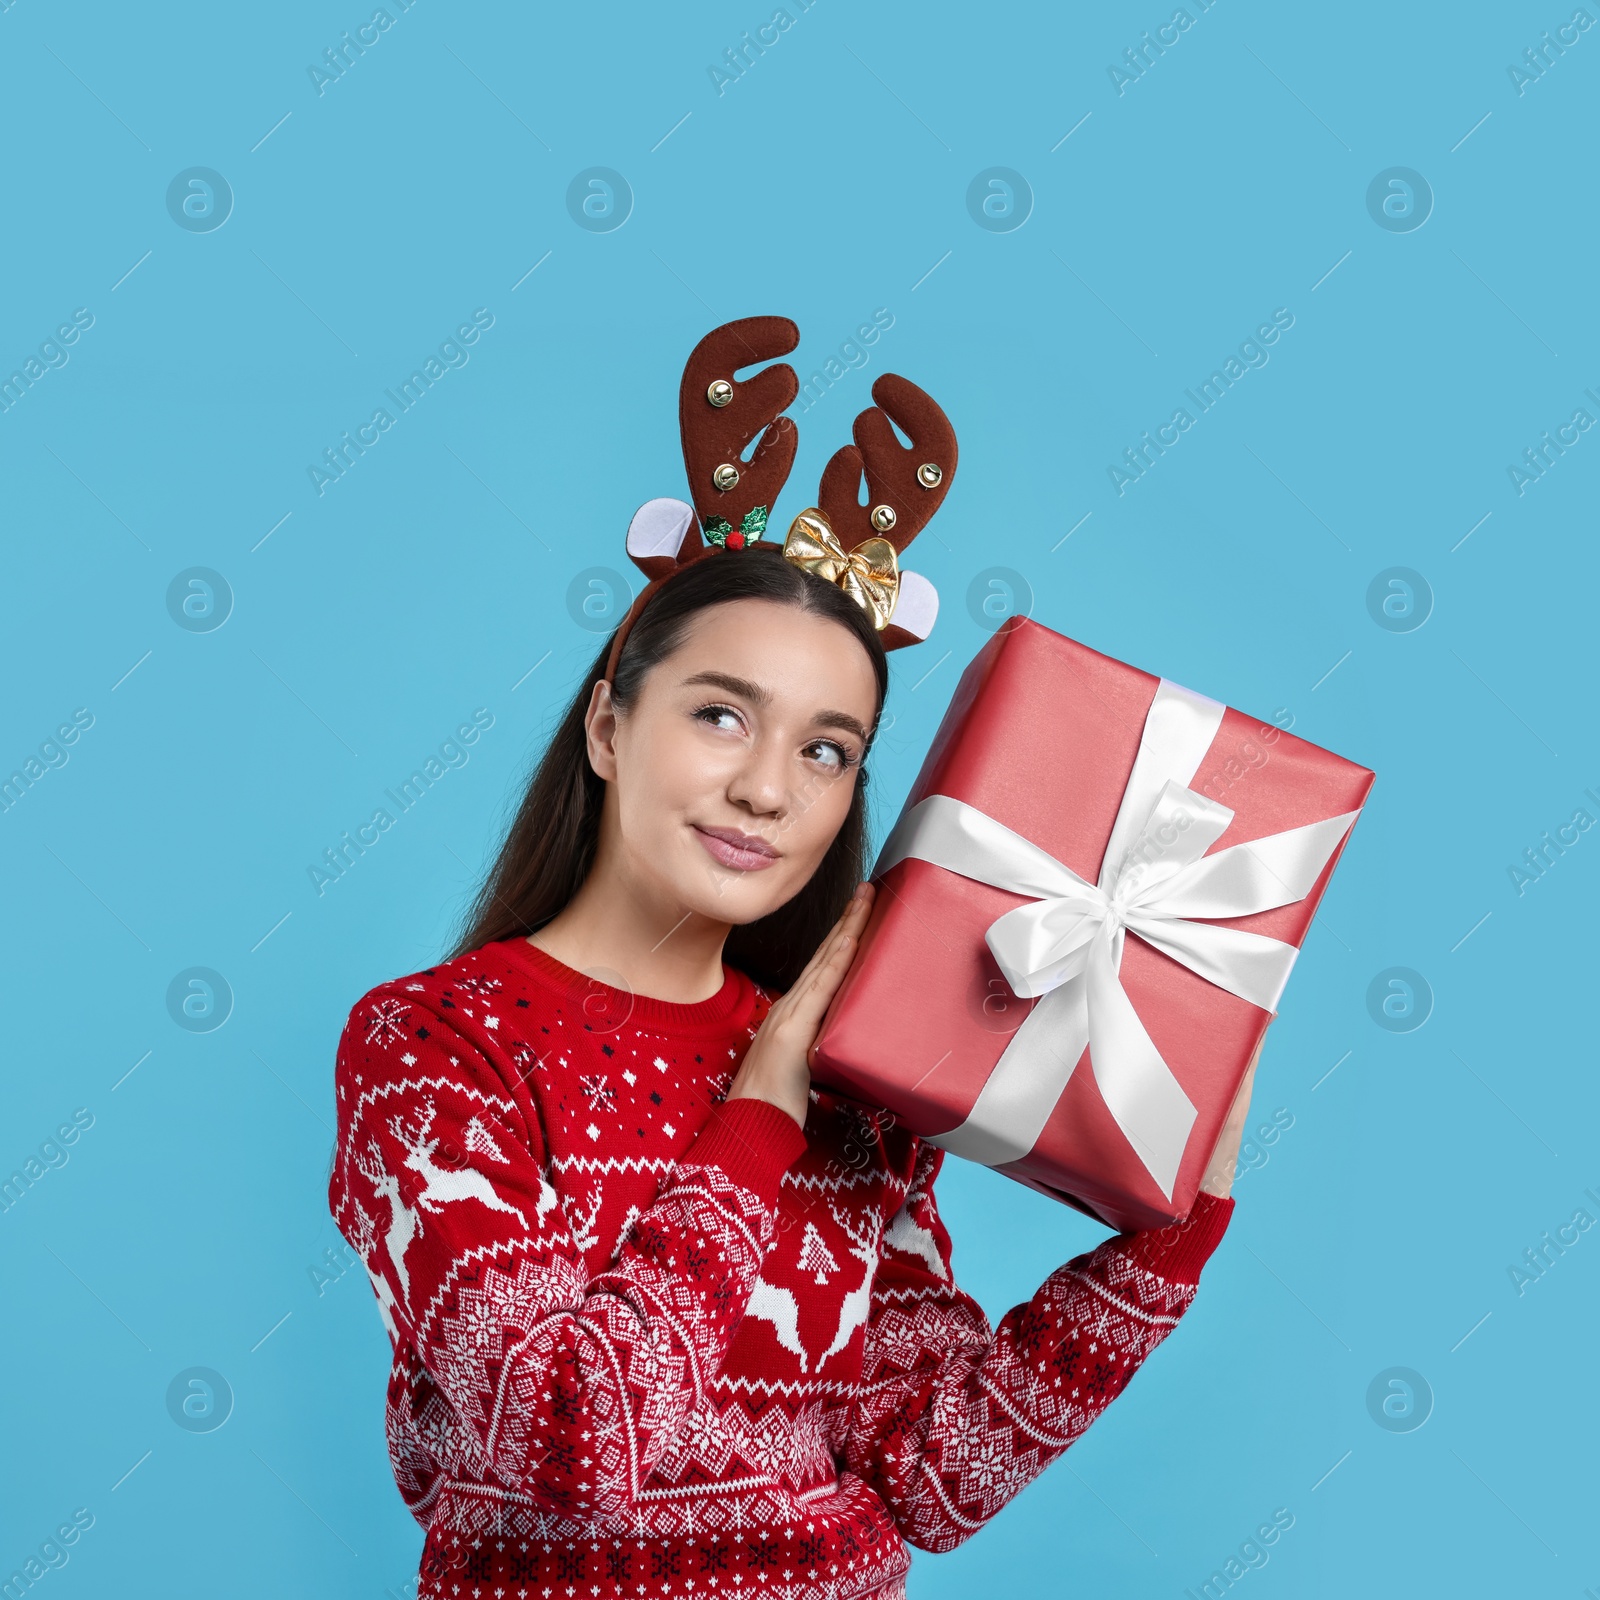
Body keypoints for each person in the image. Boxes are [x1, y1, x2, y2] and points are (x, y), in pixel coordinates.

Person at [327, 320, 1253, 1599]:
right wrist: (755, 1119)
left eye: (825, 750)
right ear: (609, 723)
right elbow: (562, 1440)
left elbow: (931, 1475)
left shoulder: (856, 1089)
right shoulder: (435, 1046)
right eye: (720, 713)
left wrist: (1172, 1226)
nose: (765, 788)